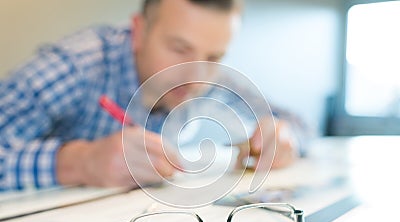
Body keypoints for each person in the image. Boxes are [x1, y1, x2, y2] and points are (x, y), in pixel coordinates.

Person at [0, 0, 300, 191]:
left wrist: (280, 138)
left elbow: (293, 121)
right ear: (138, 32)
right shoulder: (76, 65)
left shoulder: (209, 74)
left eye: (213, 56)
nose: (196, 77)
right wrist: (79, 162)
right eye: (179, 49)